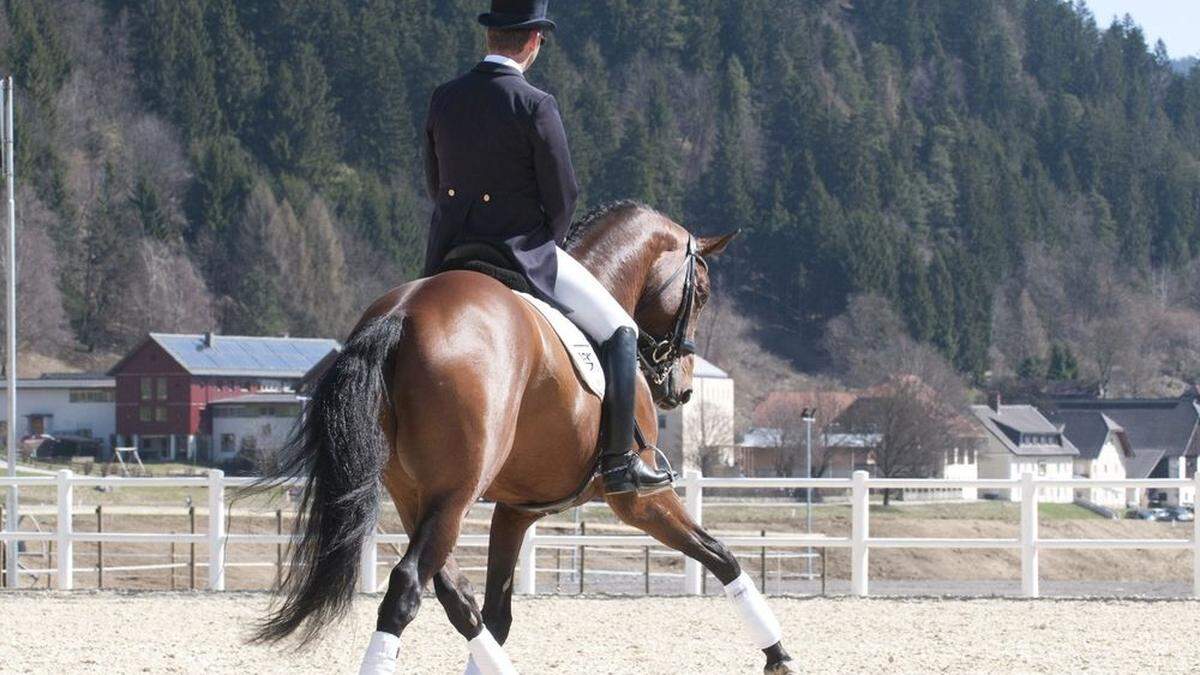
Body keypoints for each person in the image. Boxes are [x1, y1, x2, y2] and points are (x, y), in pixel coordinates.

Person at [422, 0, 672, 496]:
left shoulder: (443, 98)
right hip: (521, 252)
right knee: (622, 329)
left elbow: (435, 181)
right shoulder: (536, 104)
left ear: (490, 37)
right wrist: (548, 243)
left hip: (449, 253)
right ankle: (621, 463)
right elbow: (563, 195)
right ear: (534, 41)